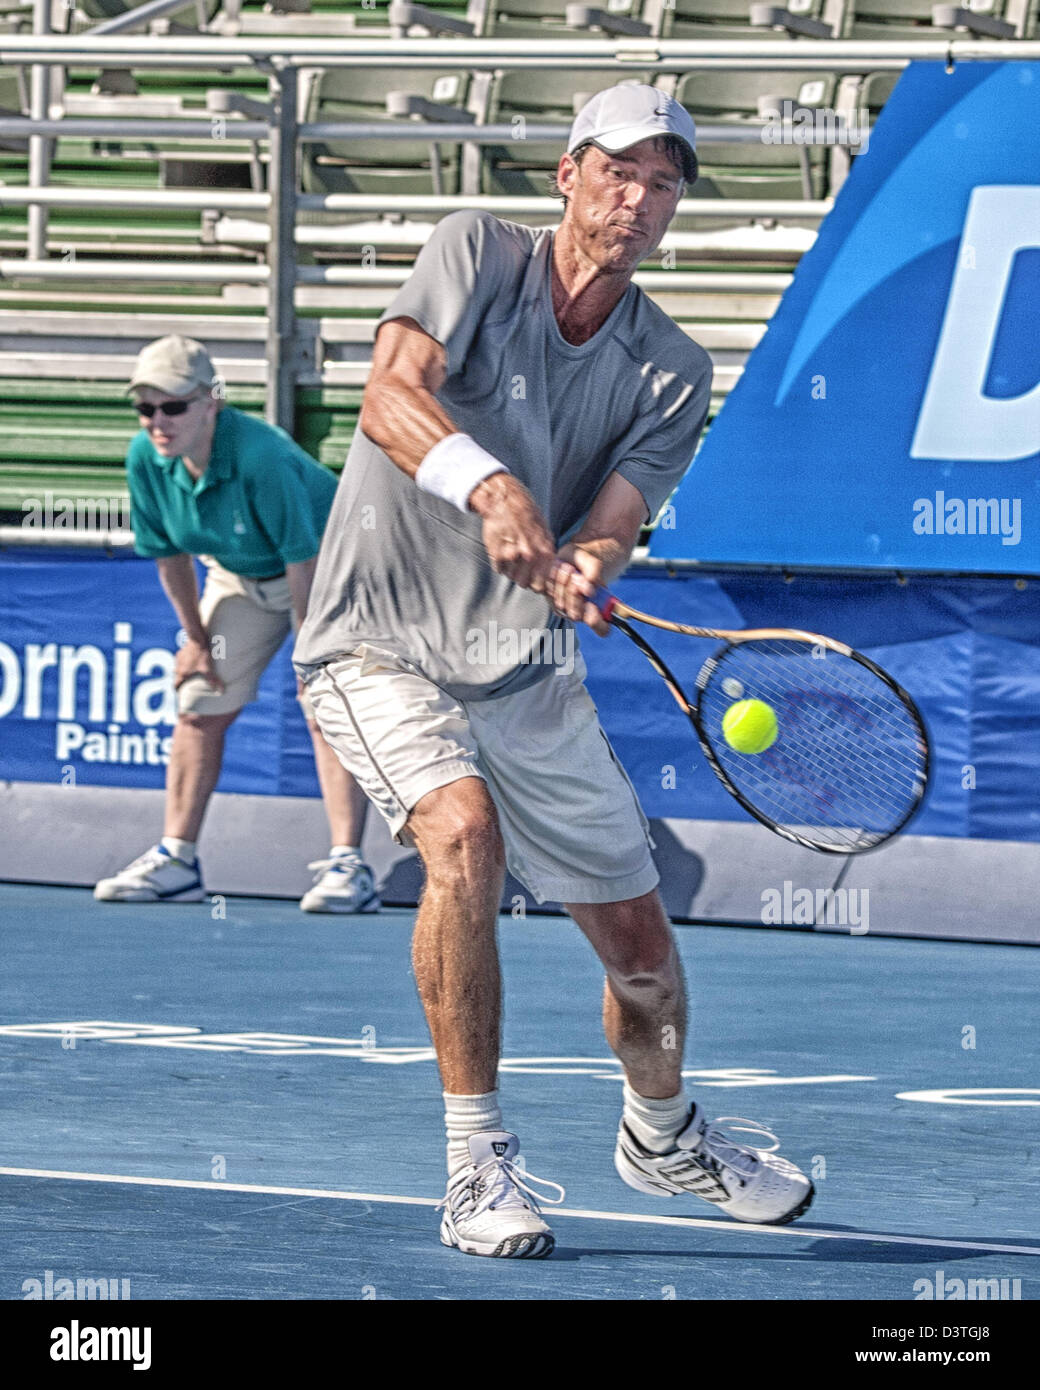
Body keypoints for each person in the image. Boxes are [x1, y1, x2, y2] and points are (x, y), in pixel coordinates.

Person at [293, 85, 814, 1257]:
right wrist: (490, 486)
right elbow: (387, 395)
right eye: (617, 170)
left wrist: (581, 559)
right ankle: (475, 1164)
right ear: (566, 176)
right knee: (462, 835)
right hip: (376, 637)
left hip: (522, 665)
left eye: (663, 180)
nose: (636, 198)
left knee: (640, 950)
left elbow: (615, 520)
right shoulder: (471, 251)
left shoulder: (673, 366)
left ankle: (662, 1135)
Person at [94, 334, 378, 914]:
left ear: (211, 401)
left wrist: (311, 658)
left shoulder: (262, 455)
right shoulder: (145, 456)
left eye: (172, 406)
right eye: (145, 408)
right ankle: (177, 860)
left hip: (331, 575)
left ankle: (350, 866)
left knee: (326, 708)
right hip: (237, 576)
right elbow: (168, 553)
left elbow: (306, 561)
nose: (157, 421)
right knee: (198, 700)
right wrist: (196, 641)